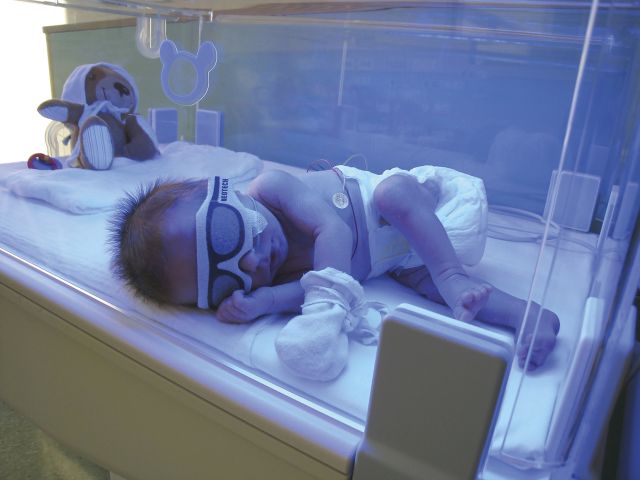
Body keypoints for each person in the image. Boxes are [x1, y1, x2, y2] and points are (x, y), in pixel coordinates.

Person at [109, 163, 559, 377]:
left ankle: (452, 274)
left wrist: (324, 307)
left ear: (221, 189)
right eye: (226, 280)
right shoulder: (270, 270)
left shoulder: (273, 188)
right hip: (398, 260)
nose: (252, 261)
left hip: (422, 209)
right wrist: (265, 301)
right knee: (437, 293)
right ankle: (527, 315)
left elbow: (334, 233)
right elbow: (310, 290)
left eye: (226, 235)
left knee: (392, 195)